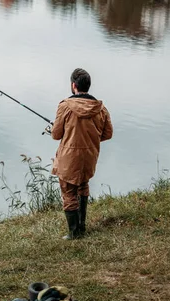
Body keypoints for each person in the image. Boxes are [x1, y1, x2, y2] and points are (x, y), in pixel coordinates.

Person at [49, 68, 113, 240]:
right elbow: (107, 134)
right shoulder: (100, 108)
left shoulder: (65, 106)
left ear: (73, 85)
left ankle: (73, 233)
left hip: (69, 158)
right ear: (88, 86)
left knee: (68, 191)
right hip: (89, 156)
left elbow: (56, 134)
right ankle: (81, 227)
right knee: (83, 186)